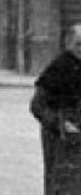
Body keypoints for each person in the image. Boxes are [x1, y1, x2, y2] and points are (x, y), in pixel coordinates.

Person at [32, 24, 81, 194]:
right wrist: (60, 124)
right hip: (60, 139)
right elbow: (37, 105)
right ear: (68, 44)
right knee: (63, 186)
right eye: (79, 44)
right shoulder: (58, 69)